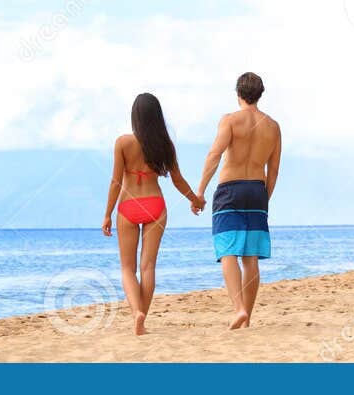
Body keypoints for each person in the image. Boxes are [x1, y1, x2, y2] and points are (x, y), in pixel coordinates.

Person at [101, 93, 203, 335]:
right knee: (148, 267)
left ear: (135, 117)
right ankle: (142, 321)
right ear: (157, 117)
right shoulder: (165, 146)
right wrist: (195, 200)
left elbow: (116, 182)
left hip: (128, 206)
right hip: (155, 205)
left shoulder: (123, 143)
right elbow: (178, 180)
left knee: (127, 268)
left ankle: (137, 312)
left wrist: (107, 214)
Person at [195, 71, 281, 329]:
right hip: (257, 189)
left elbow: (214, 154)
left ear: (238, 94)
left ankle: (238, 309)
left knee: (227, 251)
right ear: (260, 94)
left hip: (230, 189)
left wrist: (200, 192)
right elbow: (273, 169)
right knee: (251, 256)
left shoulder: (230, 120)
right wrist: (265, 196)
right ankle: (247, 318)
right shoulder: (273, 126)